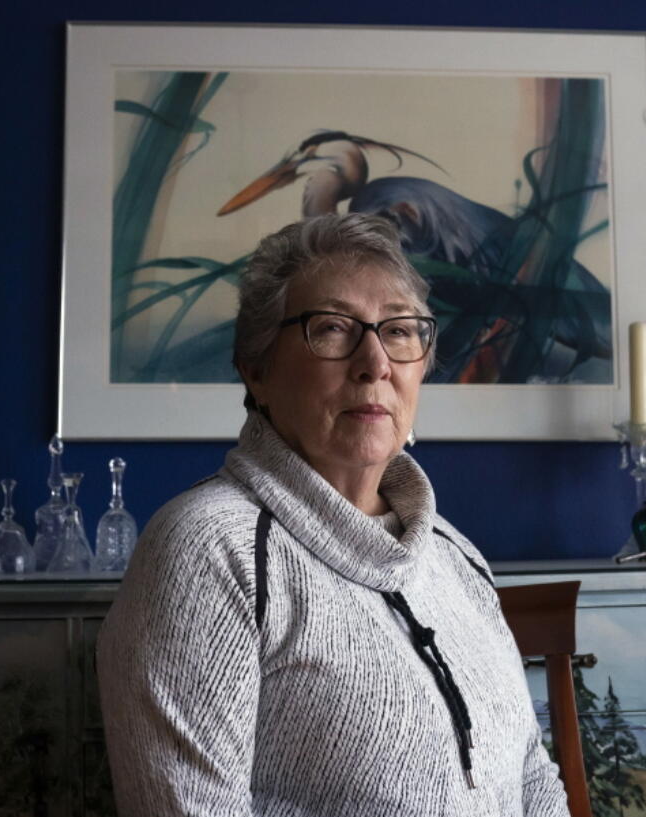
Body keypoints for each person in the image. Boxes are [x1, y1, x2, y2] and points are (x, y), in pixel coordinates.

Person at [97, 212, 570, 816]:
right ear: (257, 368)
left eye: (399, 331)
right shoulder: (207, 550)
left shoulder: (458, 558)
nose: (375, 363)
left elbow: (532, 776)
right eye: (333, 328)